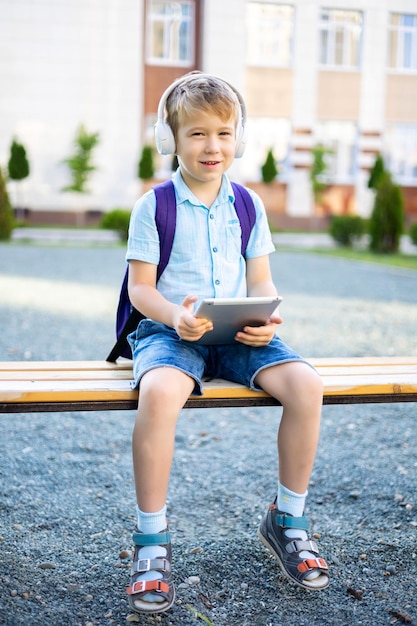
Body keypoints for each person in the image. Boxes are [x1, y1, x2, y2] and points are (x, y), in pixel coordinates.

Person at [124, 72, 329, 614]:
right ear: (171, 140)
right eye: (196, 134)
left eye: (223, 133)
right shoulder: (154, 206)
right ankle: (151, 542)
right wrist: (175, 315)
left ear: (238, 138)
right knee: (161, 394)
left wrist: (269, 313)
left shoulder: (248, 204)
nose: (211, 146)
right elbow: (140, 289)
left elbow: (260, 280)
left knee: (306, 385)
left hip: (238, 332)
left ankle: (288, 519)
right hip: (172, 332)